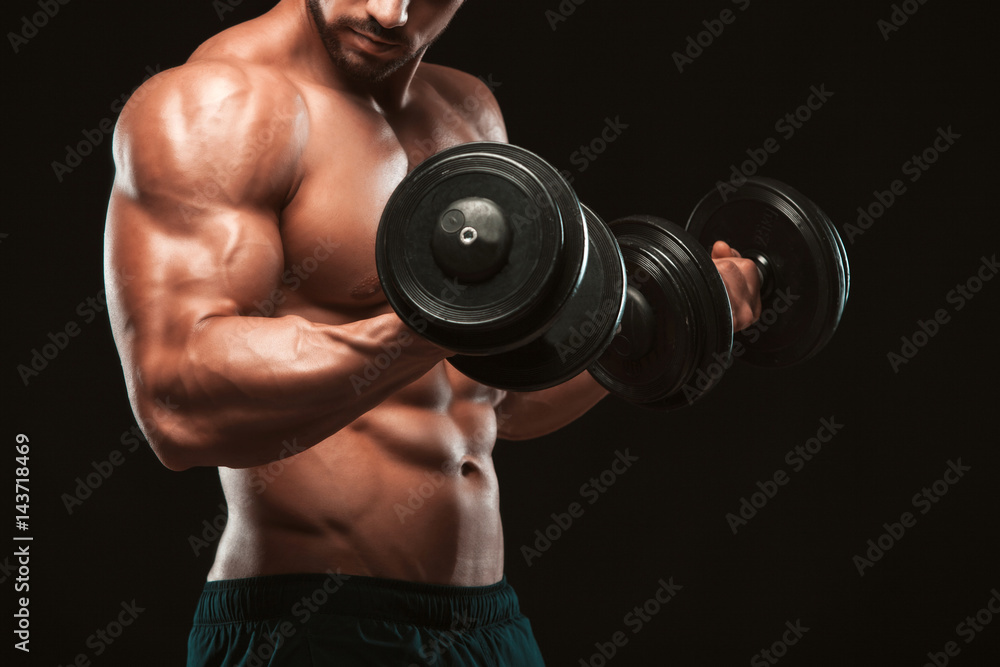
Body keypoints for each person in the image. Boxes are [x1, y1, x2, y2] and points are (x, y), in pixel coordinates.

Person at [104, 1, 762, 664]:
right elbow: (178, 398)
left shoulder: (467, 111)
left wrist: (679, 313)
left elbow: (508, 398)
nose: (390, 14)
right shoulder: (220, 105)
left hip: (487, 626)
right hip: (313, 626)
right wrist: (454, 316)